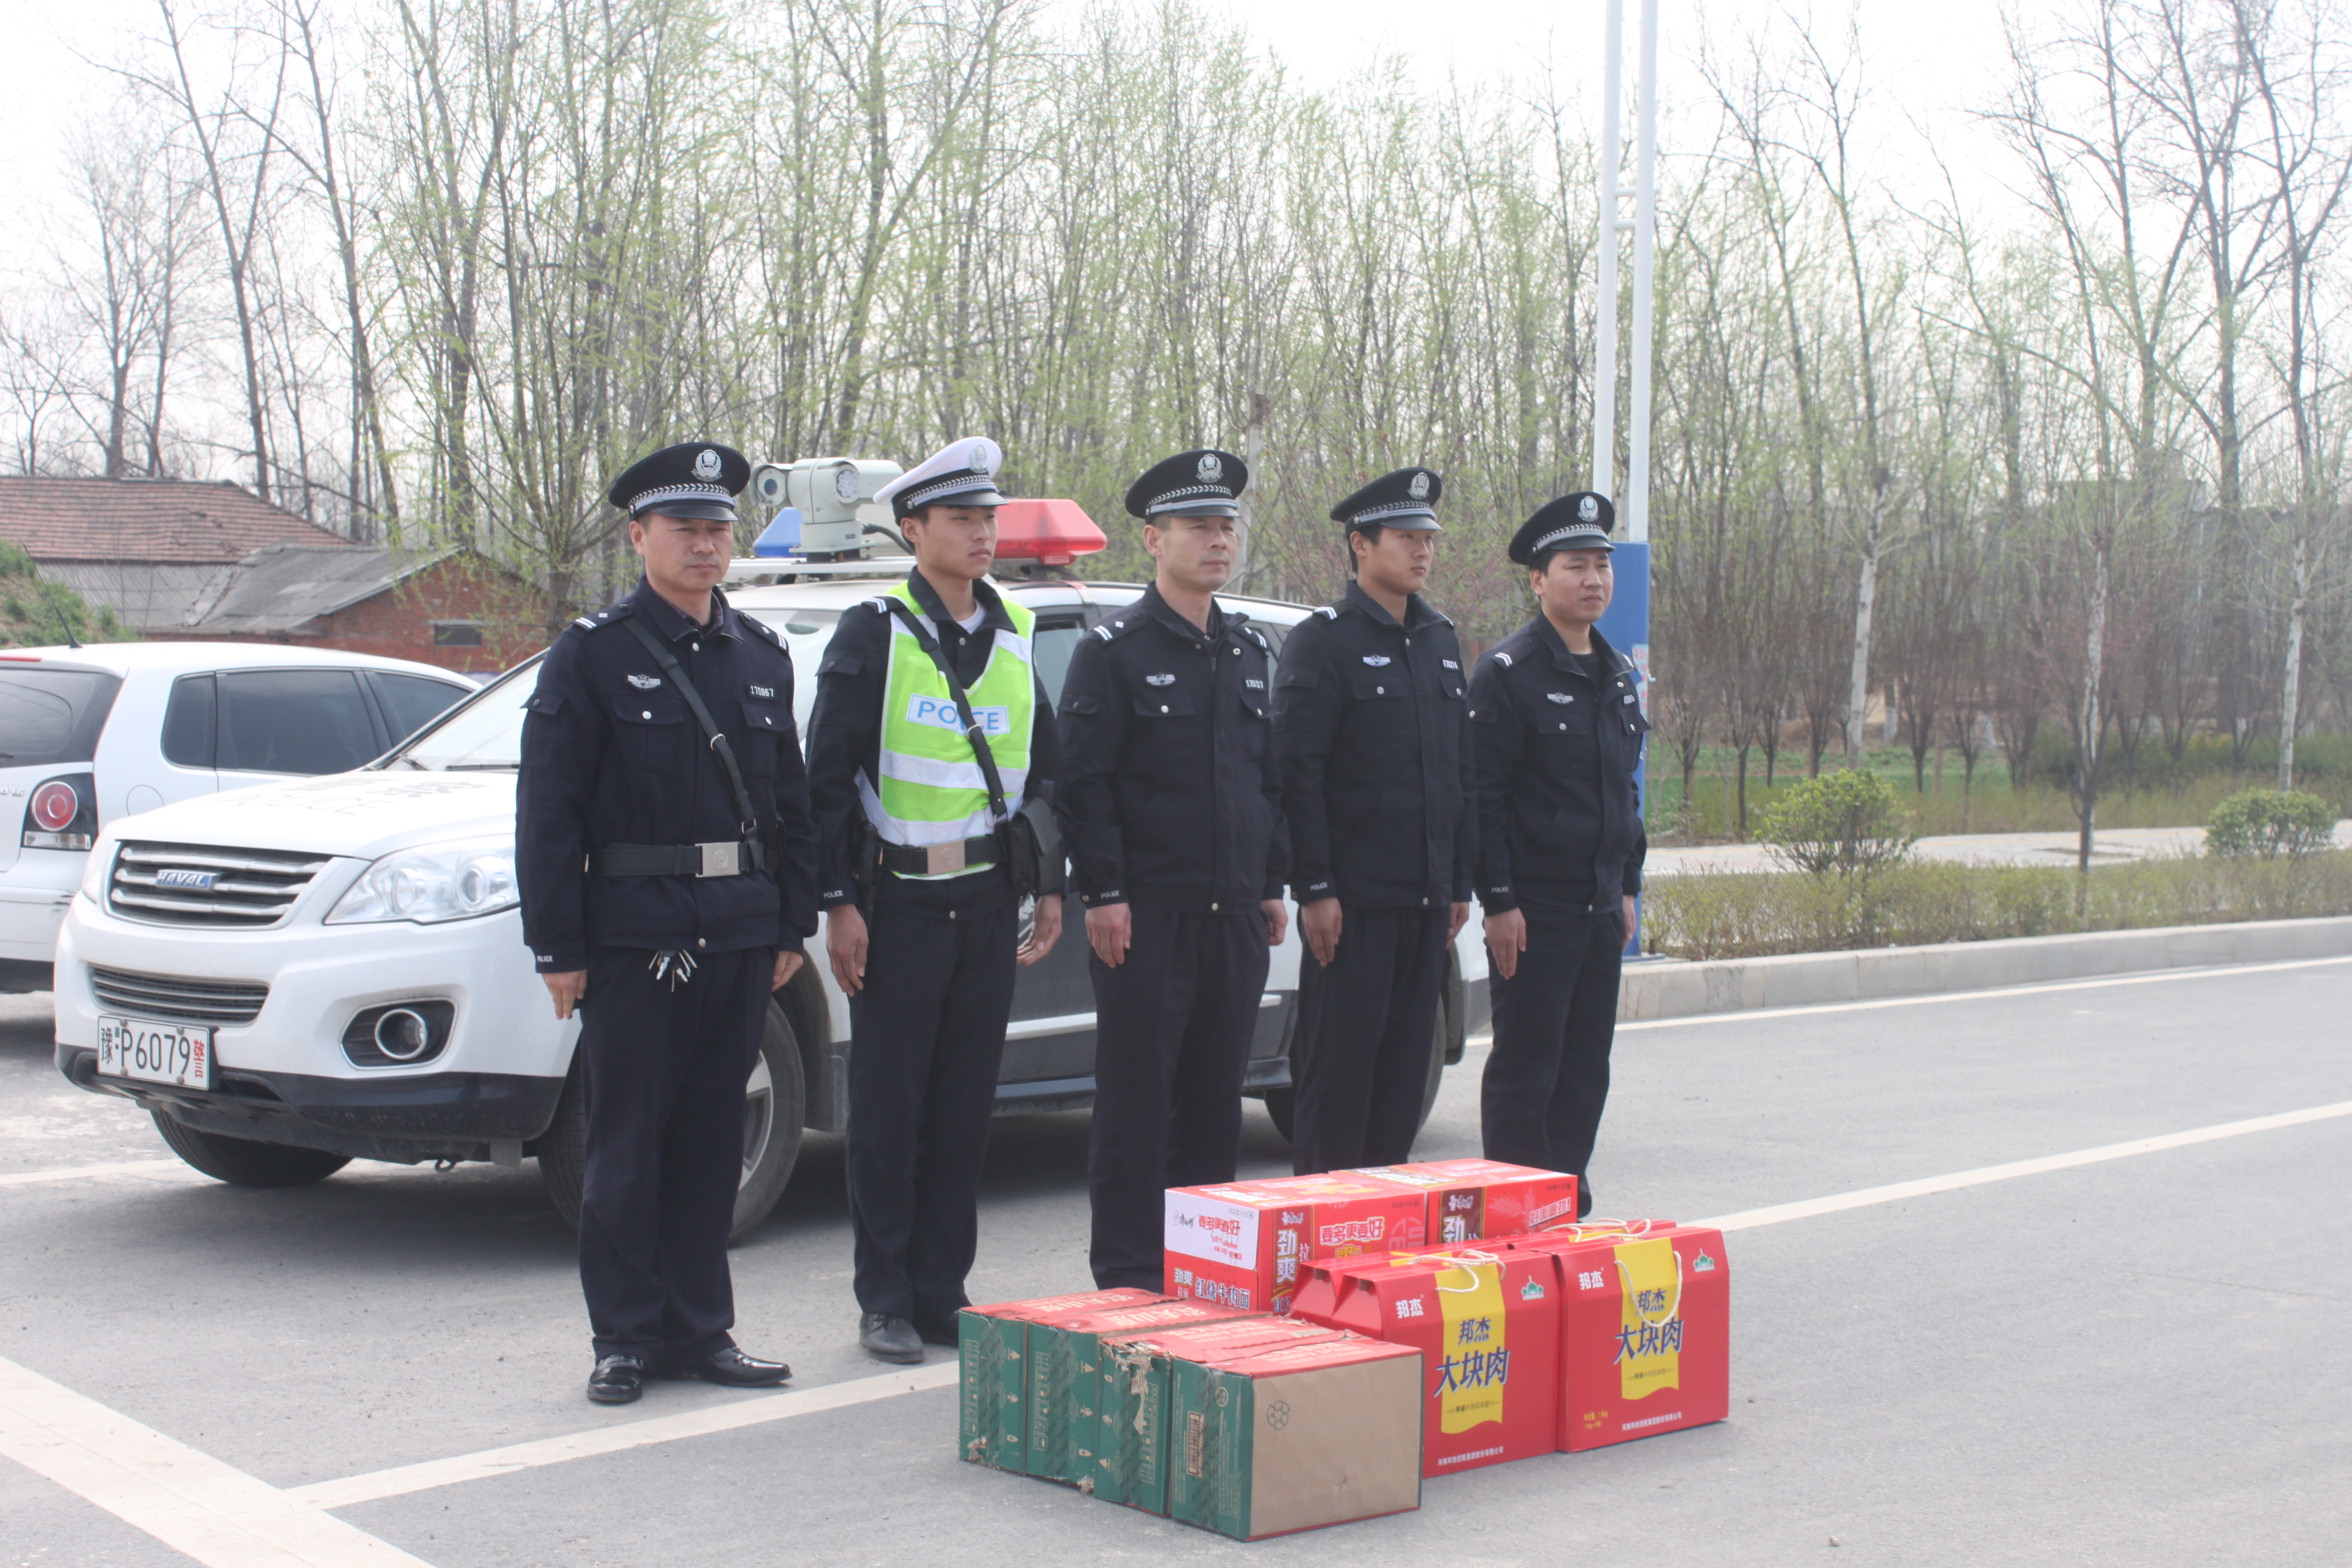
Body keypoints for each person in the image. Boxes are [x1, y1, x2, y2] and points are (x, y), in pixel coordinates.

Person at [518, 440, 817, 1405]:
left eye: (717, 528)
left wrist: (788, 926)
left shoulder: (760, 657)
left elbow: (792, 809)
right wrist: (557, 946)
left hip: (737, 930)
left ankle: (701, 1328)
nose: (704, 544)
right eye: (684, 529)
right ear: (639, 534)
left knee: (707, 1140)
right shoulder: (593, 655)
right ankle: (624, 1336)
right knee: (626, 1144)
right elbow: (549, 811)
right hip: (635, 935)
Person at [804, 437, 1064, 1364]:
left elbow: (1049, 771)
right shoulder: (872, 628)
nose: (982, 534)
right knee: (889, 1111)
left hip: (988, 902)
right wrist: (839, 900)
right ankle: (884, 1299)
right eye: (961, 519)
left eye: (988, 518)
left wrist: (1049, 882)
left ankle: (942, 1289)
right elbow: (825, 777)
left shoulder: (1018, 630)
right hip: (900, 903)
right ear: (912, 529)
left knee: (961, 1107)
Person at [1054, 448, 1290, 1291]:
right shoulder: (1113, 650)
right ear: (1154, 540)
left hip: (1231, 913)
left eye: (1226, 526)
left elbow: (1269, 780)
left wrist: (1272, 882)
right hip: (1146, 915)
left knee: (1214, 1099)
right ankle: (1128, 1273)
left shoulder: (1250, 648)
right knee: (1136, 1105)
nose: (1216, 541)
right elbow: (1084, 782)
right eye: (1198, 527)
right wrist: (1105, 892)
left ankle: (1203, 1269)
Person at [1272, 467, 1474, 1175]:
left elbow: (1455, 773)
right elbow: (1299, 774)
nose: (1422, 551)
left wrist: (1458, 882)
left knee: (1399, 1088)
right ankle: (1322, 1250)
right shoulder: (1323, 641)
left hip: (1424, 904)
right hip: (1352, 907)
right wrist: (1316, 887)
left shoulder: (1441, 639)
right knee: (1337, 1085)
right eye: (1405, 537)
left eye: (1428, 539)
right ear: (1360, 545)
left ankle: (1382, 1251)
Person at [1468, 491, 1647, 1219]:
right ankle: (1514, 1216)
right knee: (1526, 1070)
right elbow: (1484, 799)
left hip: (1600, 907)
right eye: (1576, 566)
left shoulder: (1614, 672)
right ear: (1538, 580)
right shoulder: (1509, 672)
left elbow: (1622, 796)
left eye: (1602, 565)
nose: (1594, 580)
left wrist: (1628, 886)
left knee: (1583, 1072)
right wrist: (1500, 902)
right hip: (1535, 911)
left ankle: (1564, 1207)